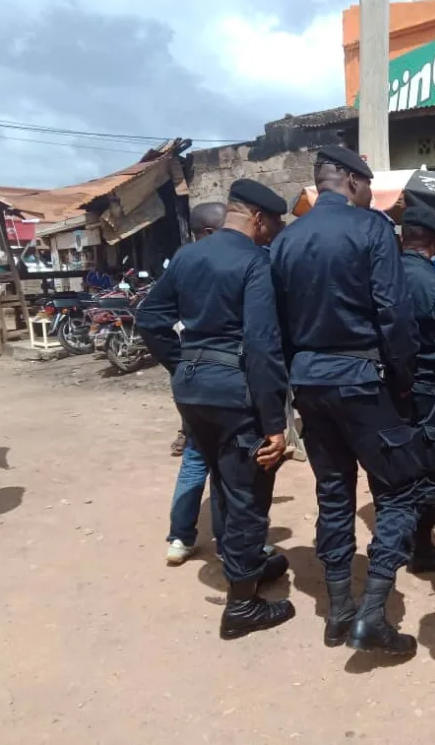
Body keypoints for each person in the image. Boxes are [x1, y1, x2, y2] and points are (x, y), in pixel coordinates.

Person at [270, 145, 422, 657]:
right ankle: (373, 615)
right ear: (353, 182)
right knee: (399, 491)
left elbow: (277, 326)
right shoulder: (372, 228)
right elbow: (393, 312)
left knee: (334, 493)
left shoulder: (286, 240)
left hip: (310, 384)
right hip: (364, 379)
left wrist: (295, 381)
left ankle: (339, 611)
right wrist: (403, 381)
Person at [138, 180, 294, 640]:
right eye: (275, 224)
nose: (275, 233)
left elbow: (150, 318)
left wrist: (185, 363)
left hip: (191, 392)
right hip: (235, 395)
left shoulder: (187, 255)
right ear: (259, 220)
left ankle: (246, 566)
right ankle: (242, 607)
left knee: (225, 482)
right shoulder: (254, 263)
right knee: (247, 493)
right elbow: (264, 346)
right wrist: (275, 424)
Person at [394, 203, 435, 574]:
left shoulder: (379, 279)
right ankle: (422, 547)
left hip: (389, 389)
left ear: (404, 238)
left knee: (395, 463)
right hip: (433, 391)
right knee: (431, 468)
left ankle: (397, 538)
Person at [165, 201, 228, 565]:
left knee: (194, 455)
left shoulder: (180, 262)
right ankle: (222, 537)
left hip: (188, 376)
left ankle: (180, 538)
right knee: (217, 460)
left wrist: (177, 362)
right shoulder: (208, 262)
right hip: (212, 373)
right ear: (206, 232)